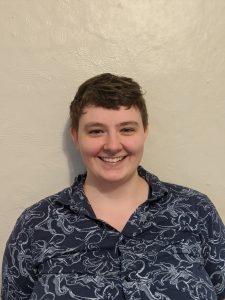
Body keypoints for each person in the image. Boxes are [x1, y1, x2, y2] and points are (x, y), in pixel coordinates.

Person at [1, 73, 225, 300]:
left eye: (127, 129)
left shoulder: (196, 211)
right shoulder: (36, 225)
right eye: (96, 131)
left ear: (144, 132)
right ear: (76, 137)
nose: (112, 145)